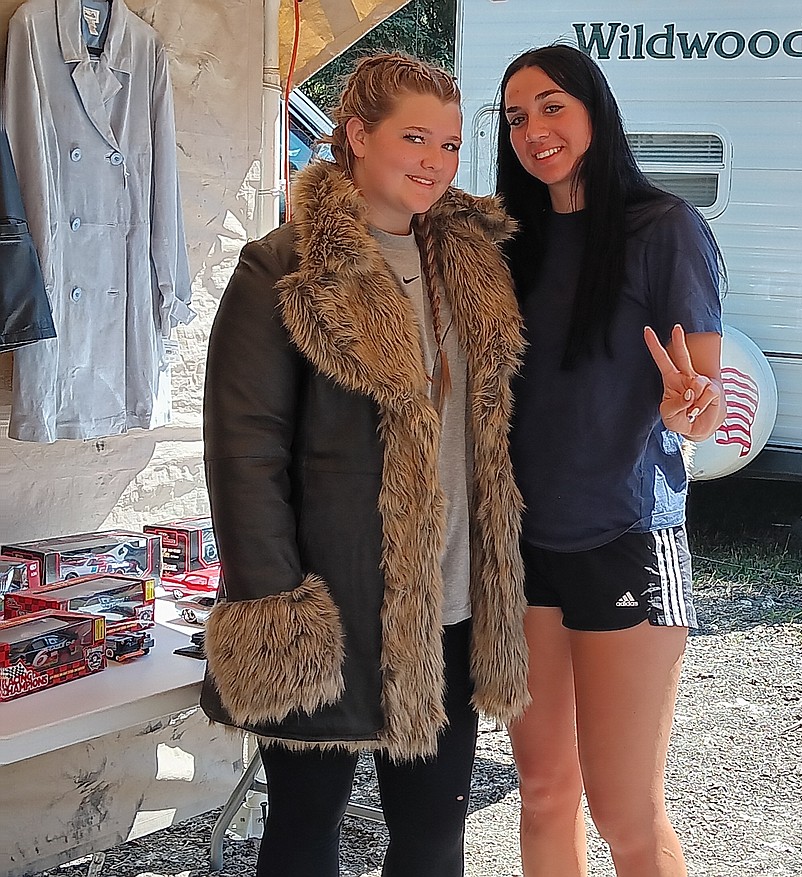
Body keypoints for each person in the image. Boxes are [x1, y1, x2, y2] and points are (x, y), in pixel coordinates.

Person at [199, 54, 529, 877]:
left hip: (451, 608)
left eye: (450, 144)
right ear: (356, 136)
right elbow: (244, 455)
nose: (435, 161)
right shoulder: (282, 267)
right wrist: (280, 612)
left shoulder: (476, 267)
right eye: (414, 137)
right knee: (307, 832)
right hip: (333, 610)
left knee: (432, 838)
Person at [496, 44, 726, 877]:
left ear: (595, 107)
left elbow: (701, 397)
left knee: (625, 808)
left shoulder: (663, 227)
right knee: (544, 790)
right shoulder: (507, 242)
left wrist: (685, 410)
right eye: (517, 116)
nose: (534, 130)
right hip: (522, 548)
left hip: (626, 535)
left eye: (552, 105)